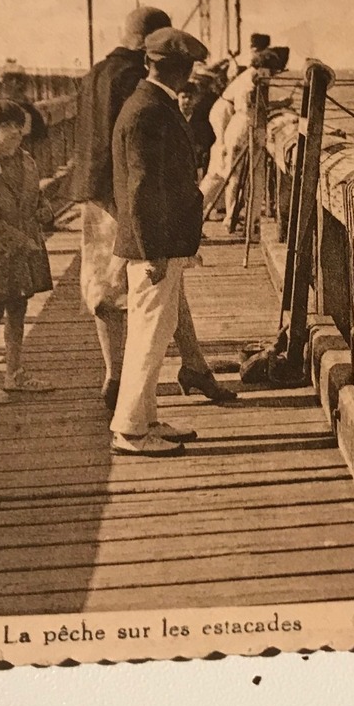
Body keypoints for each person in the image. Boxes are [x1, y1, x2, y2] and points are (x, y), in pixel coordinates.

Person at [75, 7, 235, 409]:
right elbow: (137, 150)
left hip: (93, 192)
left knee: (111, 284)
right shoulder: (135, 78)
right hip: (122, 196)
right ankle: (126, 380)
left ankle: (178, 366)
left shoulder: (95, 72)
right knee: (149, 279)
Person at [109, 28, 214, 457]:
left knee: (157, 328)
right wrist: (152, 251)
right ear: (167, 68)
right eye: (183, 69)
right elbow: (141, 188)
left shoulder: (150, 105)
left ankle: (146, 417)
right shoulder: (147, 111)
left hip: (165, 241)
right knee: (149, 335)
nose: (187, 77)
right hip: (154, 246)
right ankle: (132, 430)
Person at [0, 98, 56, 404]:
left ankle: (14, 373)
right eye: (6, 127)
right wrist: (16, 239)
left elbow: (36, 195)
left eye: (18, 125)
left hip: (24, 253)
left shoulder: (26, 161)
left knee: (18, 311)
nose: (15, 132)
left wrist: (44, 209)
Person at [200, 45, 289, 231]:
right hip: (236, 124)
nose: (272, 75)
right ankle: (227, 217)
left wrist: (278, 104)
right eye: (270, 71)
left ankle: (249, 219)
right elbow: (250, 106)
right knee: (228, 173)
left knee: (247, 175)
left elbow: (259, 106)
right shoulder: (250, 81)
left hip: (248, 125)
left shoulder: (258, 79)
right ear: (262, 67)